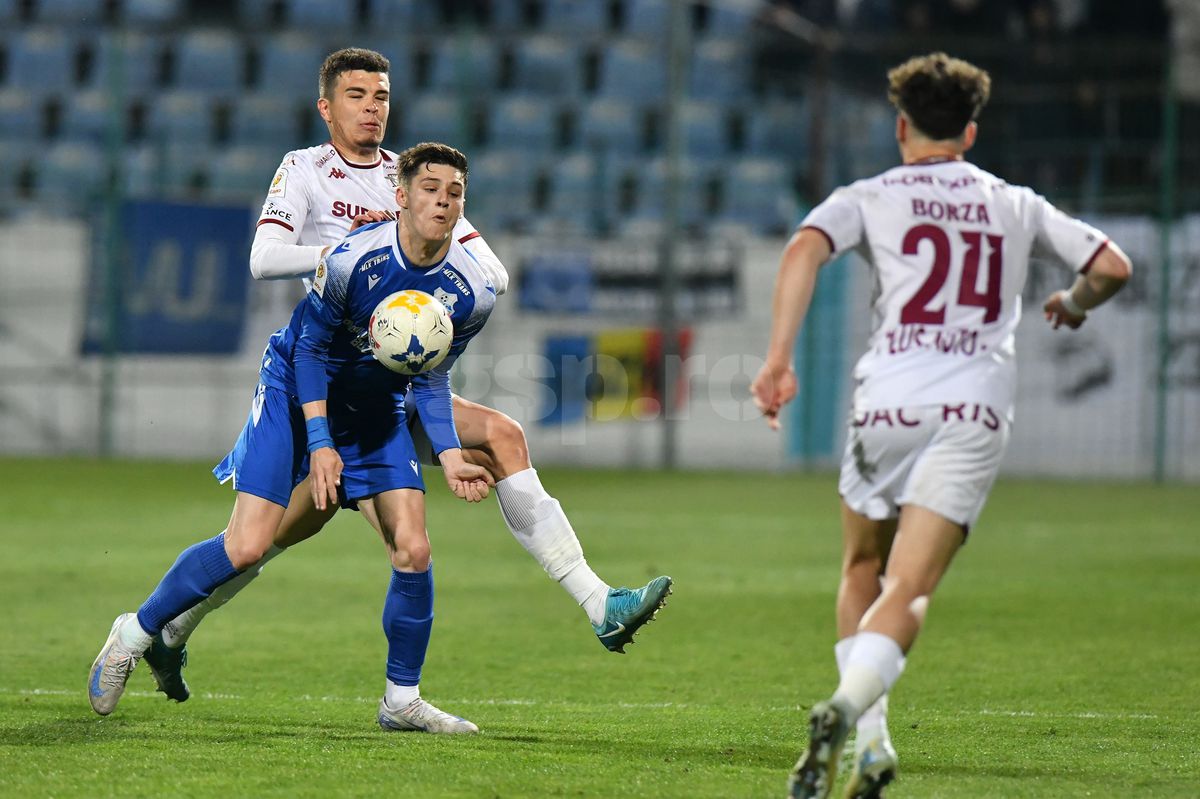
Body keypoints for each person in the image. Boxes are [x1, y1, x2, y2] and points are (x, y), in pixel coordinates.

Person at [139, 47, 672, 705]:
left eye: (382, 96)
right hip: (322, 377)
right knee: (266, 536)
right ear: (326, 106)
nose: (372, 108)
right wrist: (353, 252)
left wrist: (426, 273)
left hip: (392, 378)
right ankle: (171, 625)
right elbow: (264, 258)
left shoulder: (415, 181)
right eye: (357, 95)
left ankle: (598, 603)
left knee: (499, 440)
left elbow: (494, 273)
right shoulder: (305, 169)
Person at [750, 52, 1131, 798]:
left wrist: (778, 360)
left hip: (886, 404)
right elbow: (1112, 265)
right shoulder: (1014, 202)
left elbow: (803, 249)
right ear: (971, 132)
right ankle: (848, 711)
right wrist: (1073, 303)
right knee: (911, 585)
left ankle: (871, 738)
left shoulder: (870, 194)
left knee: (862, 566)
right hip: (971, 410)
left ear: (901, 127)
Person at [92, 142, 499, 732]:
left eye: (454, 193)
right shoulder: (352, 260)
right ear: (402, 196)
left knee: (413, 548)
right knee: (247, 547)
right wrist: (320, 442)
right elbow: (309, 351)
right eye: (430, 189)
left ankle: (401, 700)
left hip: (374, 410)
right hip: (294, 391)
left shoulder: (473, 293)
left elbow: (432, 379)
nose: (442, 201)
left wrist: (452, 454)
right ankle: (133, 635)